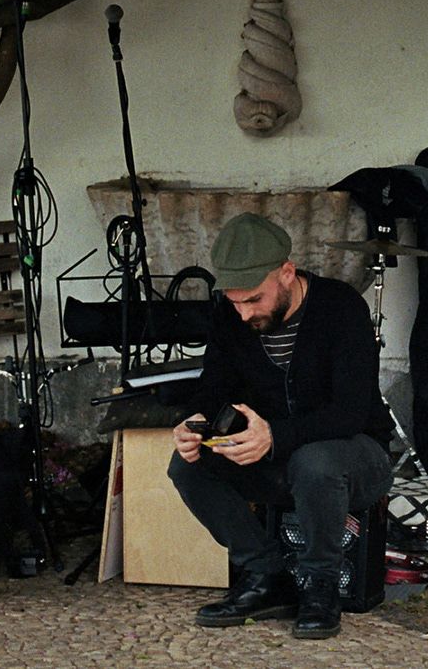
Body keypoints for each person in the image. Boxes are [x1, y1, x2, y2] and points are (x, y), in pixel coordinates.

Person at [168, 213, 394, 638]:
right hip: (275, 457)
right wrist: (195, 421)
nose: (243, 313)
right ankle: (267, 576)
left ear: (287, 273)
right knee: (187, 465)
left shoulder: (341, 307)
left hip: (356, 457)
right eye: (235, 302)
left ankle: (321, 585)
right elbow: (214, 384)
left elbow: (350, 412)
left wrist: (275, 437)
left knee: (317, 460)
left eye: (253, 300)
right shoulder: (228, 315)